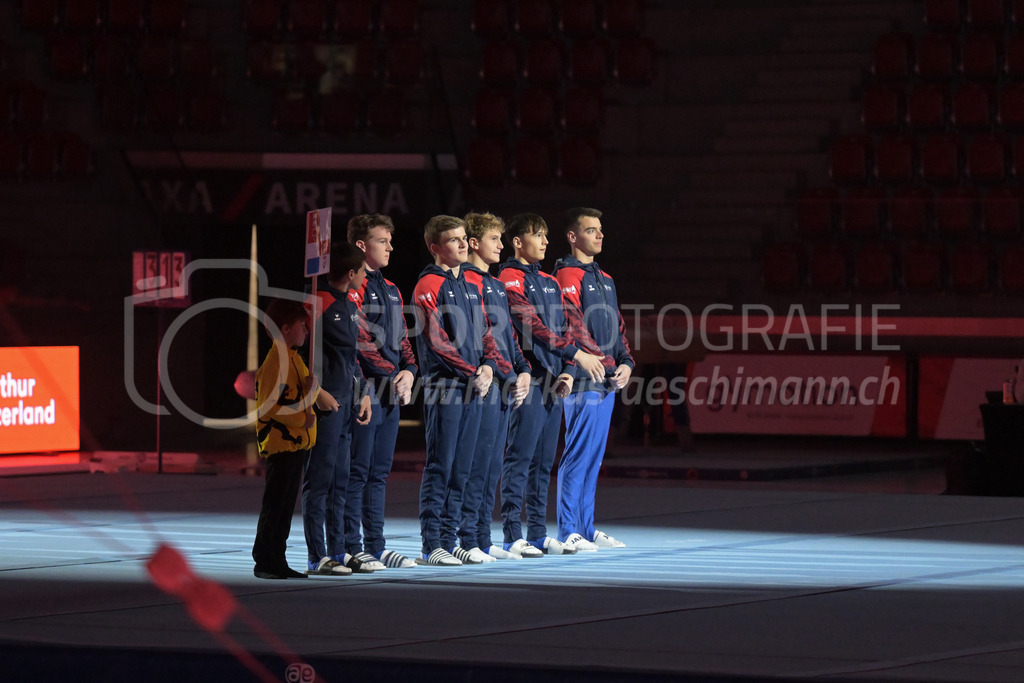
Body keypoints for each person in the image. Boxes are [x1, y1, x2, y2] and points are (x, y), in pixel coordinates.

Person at [497, 213, 606, 557]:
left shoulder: (549, 280)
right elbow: (530, 325)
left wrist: (569, 369)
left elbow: (566, 327)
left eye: (546, 236)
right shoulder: (508, 277)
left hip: (554, 381)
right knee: (520, 457)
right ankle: (512, 533)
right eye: (538, 236)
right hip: (528, 378)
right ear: (518, 242)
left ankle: (539, 533)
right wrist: (575, 354)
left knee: (544, 461)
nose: (545, 242)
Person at [412, 215, 500, 566]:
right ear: (436, 247)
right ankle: (431, 543)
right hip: (445, 387)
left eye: (464, 238)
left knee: (463, 466)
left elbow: (487, 331)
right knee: (441, 465)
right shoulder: (427, 285)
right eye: (454, 240)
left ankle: (451, 539)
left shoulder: (469, 284)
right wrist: (471, 372)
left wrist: (489, 365)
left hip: (473, 385)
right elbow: (437, 340)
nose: (464, 244)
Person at [552, 207, 634, 551]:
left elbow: (616, 326)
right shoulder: (568, 276)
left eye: (600, 230)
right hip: (585, 376)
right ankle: (568, 528)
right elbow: (571, 324)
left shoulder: (606, 278)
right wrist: (593, 359)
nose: (600, 235)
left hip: (607, 379)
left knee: (594, 457)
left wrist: (627, 361)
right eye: (591, 230)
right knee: (577, 453)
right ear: (573, 237)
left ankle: (586, 527)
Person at [344, 214, 419, 570]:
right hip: (366, 389)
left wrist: (409, 370)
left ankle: (376, 545)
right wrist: (393, 374)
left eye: (390, 240)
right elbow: (360, 342)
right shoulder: (352, 286)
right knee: (358, 470)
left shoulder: (391, 288)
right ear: (361, 245)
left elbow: (403, 337)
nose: (390, 247)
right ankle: (351, 545)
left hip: (390, 390)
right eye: (382, 241)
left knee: (379, 472)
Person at [461, 212, 532, 562]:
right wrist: (505, 374)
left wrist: (523, 370)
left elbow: (507, 337)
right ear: (474, 243)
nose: (501, 246)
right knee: (477, 466)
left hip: (505, 382)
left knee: (492, 467)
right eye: (494, 239)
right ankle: (467, 537)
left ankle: (483, 538)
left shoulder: (495, 285)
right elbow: (482, 337)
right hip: (485, 385)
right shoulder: (467, 283)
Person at [251, 298, 336, 580]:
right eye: (302, 326)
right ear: (285, 329)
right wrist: (304, 412)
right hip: (282, 443)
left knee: (286, 505)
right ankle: (265, 559)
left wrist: (312, 397)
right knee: (276, 504)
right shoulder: (277, 361)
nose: (307, 331)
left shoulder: (293, 358)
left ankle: (277, 557)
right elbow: (270, 407)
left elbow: (303, 396)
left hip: (296, 443)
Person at [302, 241, 373, 575]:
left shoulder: (348, 304)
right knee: (320, 481)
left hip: (346, 403)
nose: (365, 276)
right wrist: (316, 393)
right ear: (350, 273)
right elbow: (302, 356)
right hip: (326, 405)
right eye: (362, 271)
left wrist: (363, 394)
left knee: (341, 480)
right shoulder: (317, 302)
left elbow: (351, 357)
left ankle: (340, 550)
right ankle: (317, 556)